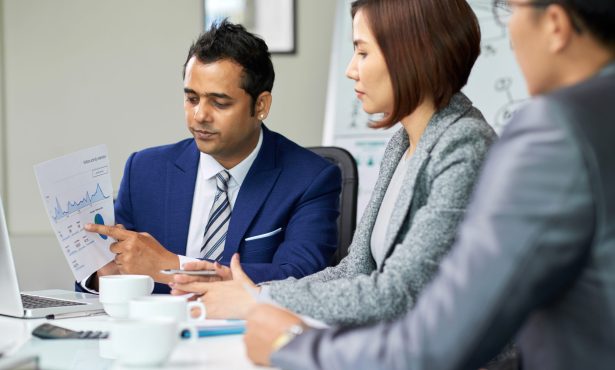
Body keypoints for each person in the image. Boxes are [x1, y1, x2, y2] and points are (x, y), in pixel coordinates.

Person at [243, 0, 615, 368]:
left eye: (513, 10)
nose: (511, 32)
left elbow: (427, 326)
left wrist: (288, 343)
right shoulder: (401, 143)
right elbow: (359, 269)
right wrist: (262, 294)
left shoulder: (549, 130)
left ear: (554, 24)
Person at [169, 0, 496, 325]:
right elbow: (355, 270)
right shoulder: (402, 144)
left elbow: (399, 292)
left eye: (363, 52)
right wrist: (252, 290)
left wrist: (257, 300)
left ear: (414, 53)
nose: (351, 69)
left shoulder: (464, 146)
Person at [83, 20, 342, 294]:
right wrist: (105, 275)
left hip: (248, 332)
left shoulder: (311, 179)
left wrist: (172, 266)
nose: (200, 116)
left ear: (261, 105)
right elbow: (105, 271)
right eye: (192, 99)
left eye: (219, 103)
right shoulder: (145, 170)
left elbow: (300, 277)